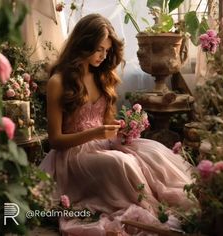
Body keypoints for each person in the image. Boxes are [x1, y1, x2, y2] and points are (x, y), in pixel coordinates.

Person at [40, 13, 194, 236]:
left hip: (103, 143)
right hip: (72, 156)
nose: (103, 56)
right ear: (83, 44)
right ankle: (145, 210)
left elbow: (103, 122)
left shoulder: (102, 77)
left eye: (107, 50)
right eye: (98, 49)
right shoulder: (59, 82)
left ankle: (164, 204)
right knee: (121, 163)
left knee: (153, 152)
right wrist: (96, 132)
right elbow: (55, 140)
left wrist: (119, 127)